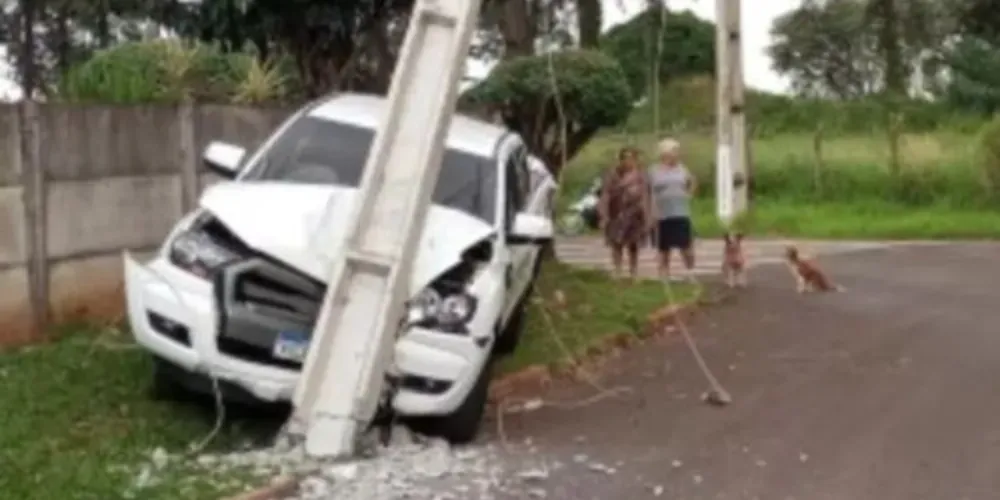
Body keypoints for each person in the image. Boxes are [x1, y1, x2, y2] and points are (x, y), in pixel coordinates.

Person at [598, 146, 652, 281]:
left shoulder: (641, 175)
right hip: (616, 212)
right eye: (626, 158)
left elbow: (646, 195)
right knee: (617, 243)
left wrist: (648, 215)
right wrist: (603, 215)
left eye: (632, 158)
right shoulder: (613, 174)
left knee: (634, 244)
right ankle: (618, 271)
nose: (629, 161)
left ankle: (634, 272)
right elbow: (605, 194)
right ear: (621, 160)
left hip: (635, 213)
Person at [648, 138, 697, 282]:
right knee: (663, 248)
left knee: (686, 246)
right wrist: (652, 210)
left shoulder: (682, 168)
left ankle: (690, 272)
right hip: (661, 213)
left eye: (677, 151)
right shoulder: (653, 170)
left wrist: (689, 194)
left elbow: (692, 181)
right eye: (674, 151)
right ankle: (664, 276)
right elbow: (649, 191)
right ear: (664, 153)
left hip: (681, 212)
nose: (676, 154)